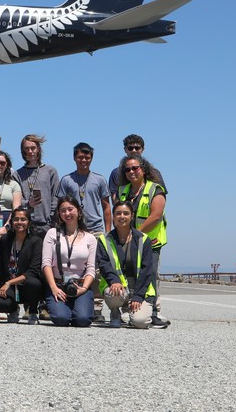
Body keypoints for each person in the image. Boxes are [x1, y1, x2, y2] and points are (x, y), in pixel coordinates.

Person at [116, 154, 169, 327]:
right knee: (128, 274)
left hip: (150, 242)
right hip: (128, 242)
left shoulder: (156, 189)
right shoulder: (123, 190)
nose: (132, 172)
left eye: (135, 168)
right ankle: (129, 310)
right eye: (128, 169)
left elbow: (156, 215)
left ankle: (153, 312)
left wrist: (136, 234)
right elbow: (119, 213)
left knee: (150, 275)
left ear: (143, 169)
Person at [96, 200, 157, 329]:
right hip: (119, 289)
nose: (122, 216)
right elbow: (103, 264)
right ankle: (115, 313)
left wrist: (138, 296)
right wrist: (114, 281)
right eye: (118, 213)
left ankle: (131, 313)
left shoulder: (143, 239)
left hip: (140, 290)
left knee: (141, 322)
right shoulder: (104, 239)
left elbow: (147, 270)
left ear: (132, 216)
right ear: (113, 216)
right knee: (112, 293)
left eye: (126, 213)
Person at [41, 197, 97, 327]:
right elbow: (46, 263)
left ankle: (79, 306)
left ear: (78, 211)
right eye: (63, 211)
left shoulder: (90, 238)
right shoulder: (52, 234)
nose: (67, 213)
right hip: (58, 285)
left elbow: (91, 268)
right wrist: (54, 288)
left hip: (80, 285)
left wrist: (83, 289)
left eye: (70, 209)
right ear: (59, 214)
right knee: (61, 319)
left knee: (82, 320)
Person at [0, 207, 43, 324]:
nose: (19, 222)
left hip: (27, 284)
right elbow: (1, 266)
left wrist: (9, 283)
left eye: (23, 219)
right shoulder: (5, 239)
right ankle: (13, 309)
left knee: (34, 283)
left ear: (29, 222)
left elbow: (33, 271)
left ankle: (33, 311)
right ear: (11, 222)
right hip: (9, 283)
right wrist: (2, 285)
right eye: (16, 219)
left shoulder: (36, 241)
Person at [12, 134, 59, 239]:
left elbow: (55, 197)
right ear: (22, 151)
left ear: (38, 149)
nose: (30, 151)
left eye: (33, 148)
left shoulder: (50, 171)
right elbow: (16, 200)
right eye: (27, 149)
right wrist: (28, 204)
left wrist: (51, 219)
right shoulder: (17, 175)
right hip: (25, 226)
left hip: (47, 225)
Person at [57, 142, 111, 234]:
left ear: (91, 159)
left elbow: (106, 207)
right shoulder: (66, 180)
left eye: (87, 158)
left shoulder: (100, 179)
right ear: (74, 158)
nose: (84, 160)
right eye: (80, 157)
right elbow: (59, 206)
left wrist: (108, 233)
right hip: (73, 229)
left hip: (96, 229)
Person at [108, 134, 167, 201]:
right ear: (125, 149)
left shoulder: (155, 172)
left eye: (137, 148)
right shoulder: (116, 173)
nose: (134, 150)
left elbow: (161, 196)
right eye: (130, 148)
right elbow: (114, 198)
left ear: (143, 149)